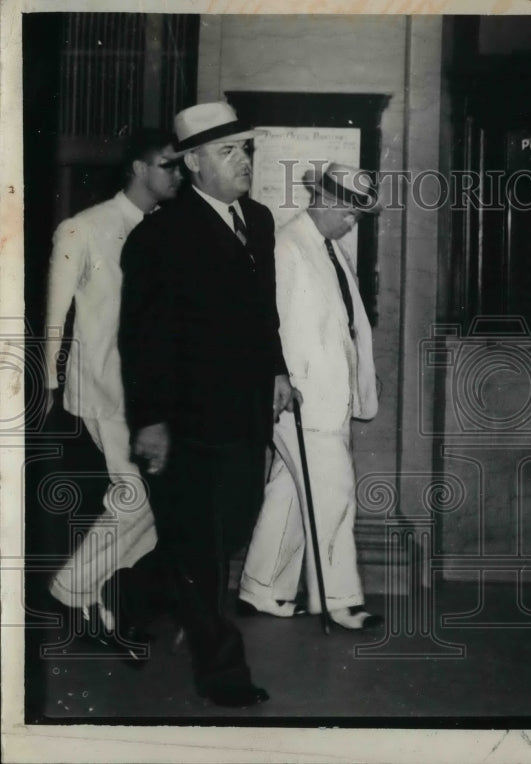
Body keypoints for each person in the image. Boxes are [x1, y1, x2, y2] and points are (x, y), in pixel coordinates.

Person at [119, 101, 297, 707]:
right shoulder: (160, 236)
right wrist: (151, 422)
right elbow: (142, 341)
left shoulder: (261, 220)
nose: (243, 160)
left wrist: (276, 370)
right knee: (201, 545)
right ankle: (223, 674)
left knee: (226, 529)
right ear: (192, 163)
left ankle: (135, 597)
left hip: (246, 413)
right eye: (227, 151)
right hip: (189, 421)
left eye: (245, 149)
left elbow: (263, 312)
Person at [43, 130, 182, 641]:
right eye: (168, 165)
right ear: (139, 170)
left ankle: (94, 593)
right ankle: (73, 589)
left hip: (155, 392)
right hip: (104, 385)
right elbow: (54, 317)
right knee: (137, 496)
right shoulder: (84, 228)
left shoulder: (169, 229)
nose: (179, 174)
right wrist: (48, 382)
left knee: (153, 501)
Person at [238, 162, 383, 631]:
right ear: (323, 199)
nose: (351, 221)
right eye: (348, 211)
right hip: (298, 398)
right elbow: (263, 324)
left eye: (357, 215)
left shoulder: (328, 248)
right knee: (333, 492)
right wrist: (281, 379)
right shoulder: (285, 246)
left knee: (288, 491)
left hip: (325, 396)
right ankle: (339, 601)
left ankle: (262, 590)